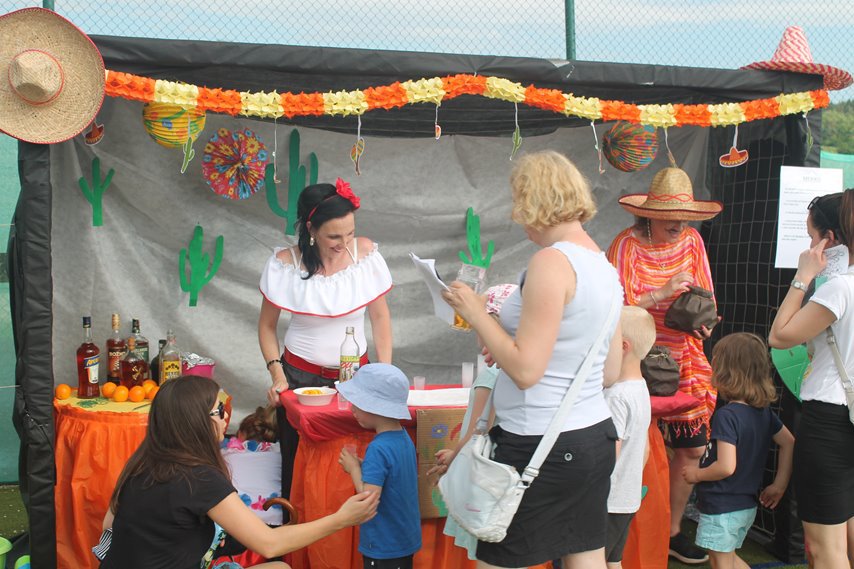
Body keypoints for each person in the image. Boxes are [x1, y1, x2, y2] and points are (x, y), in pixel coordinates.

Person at [442, 150, 623, 569]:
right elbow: (609, 370)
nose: (515, 213)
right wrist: (505, 341)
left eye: (517, 200)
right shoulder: (603, 265)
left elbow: (526, 371)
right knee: (586, 557)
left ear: (533, 201)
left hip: (540, 441)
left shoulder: (551, 262)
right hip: (593, 437)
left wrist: (475, 313)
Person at [100, 375, 378, 569]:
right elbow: (269, 544)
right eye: (219, 410)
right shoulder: (198, 477)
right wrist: (342, 519)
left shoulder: (141, 461)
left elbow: (108, 526)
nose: (226, 417)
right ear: (195, 422)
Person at [606, 166, 723, 565]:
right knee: (637, 446)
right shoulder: (625, 245)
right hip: (636, 356)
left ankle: (670, 531)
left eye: (685, 218)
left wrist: (705, 321)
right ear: (649, 215)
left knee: (692, 449)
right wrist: (662, 292)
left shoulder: (692, 240)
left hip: (684, 355)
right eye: (671, 217)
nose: (679, 225)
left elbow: (706, 294)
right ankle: (631, 530)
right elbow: (614, 310)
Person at [257, 178, 393, 495]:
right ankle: (297, 525)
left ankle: (352, 527)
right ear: (311, 229)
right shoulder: (284, 265)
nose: (343, 243)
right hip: (299, 378)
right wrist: (277, 374)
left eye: (349, 233)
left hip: (356, 376)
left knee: (355, 465)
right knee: (299, 466)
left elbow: (380, 317)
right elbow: (266, 326)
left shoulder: (365, 255)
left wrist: (384, 372)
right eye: (334, 236)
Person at [769, 188, 854, 569]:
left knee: (825, 548)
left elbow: (779, 336)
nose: (808, 246)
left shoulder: (840, 289)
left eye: (810, 237)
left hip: (831, 421)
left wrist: (803, 277)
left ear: (829, 240)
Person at [683, 333, 794, 569]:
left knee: (721, 561)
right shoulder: (763, 413)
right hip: (744, 505)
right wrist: (779, 485)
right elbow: (789, 442)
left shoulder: (727, 416)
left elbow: (726, 466)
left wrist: (696, 475)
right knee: (729, 558)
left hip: (723, 506)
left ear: (725, 370)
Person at [428, 283, 517, 561]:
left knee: (486, 550)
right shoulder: (513, 369)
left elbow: (478, 429)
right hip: (503, 471)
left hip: (482, 472)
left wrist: (454, 456)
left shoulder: (492, 373)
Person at [337, 364, 422, 569]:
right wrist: (365, 466)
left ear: (373, 406)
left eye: (357, 403)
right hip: (404, 537)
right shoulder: (404, 438)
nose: (352, 409)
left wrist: (354, 469)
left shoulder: (378, 448)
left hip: (384, 543)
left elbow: (368, 500)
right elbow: (393, 477)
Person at [603, 306, 654, 569]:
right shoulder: (640, 388)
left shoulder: (616, 396)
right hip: (627, 497)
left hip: (607, 500)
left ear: (622, 346)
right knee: (613, 561)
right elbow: (645, 449)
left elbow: (608, 454)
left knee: (590, 560)